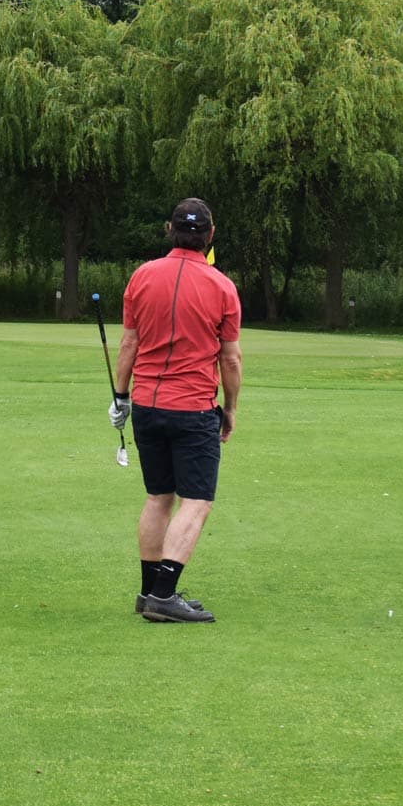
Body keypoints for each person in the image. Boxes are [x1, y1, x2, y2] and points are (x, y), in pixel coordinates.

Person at [111, 197, 242, 624]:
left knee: (158, 496)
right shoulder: (221, 286)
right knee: (197, 500)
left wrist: (120, 396)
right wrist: (232, 409)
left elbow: (129, 343)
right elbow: (231, 359)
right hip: (192, 408)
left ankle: (150, 591)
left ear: (170, 230)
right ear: (210, 235)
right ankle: (163, 595)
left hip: (147, 405)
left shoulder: (142, 276)